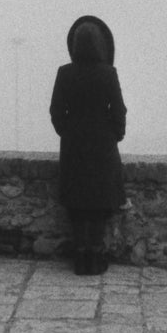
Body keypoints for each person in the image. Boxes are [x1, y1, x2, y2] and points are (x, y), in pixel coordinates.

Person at [49, 14, 126, 275]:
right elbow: (119, 111)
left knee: (78, 206)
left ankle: (81, 257)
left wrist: (68, 133)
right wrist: (113, 136)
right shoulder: (108, 74)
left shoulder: (65, 73)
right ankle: (95, 255)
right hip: (102, 147)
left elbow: (56, 111)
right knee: (98, 205)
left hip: (73, 147)